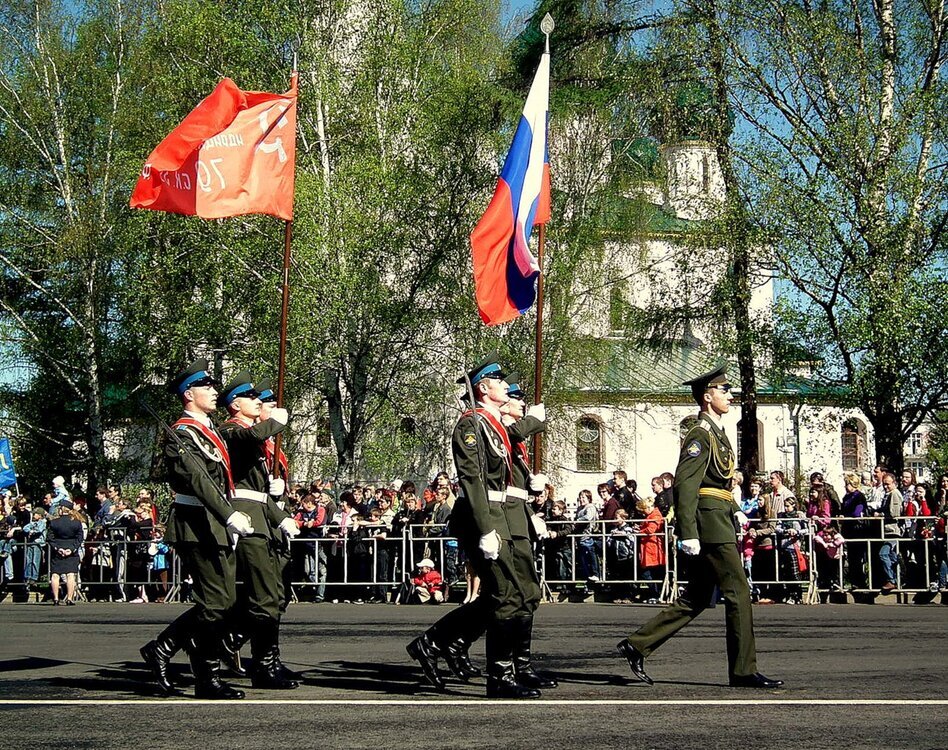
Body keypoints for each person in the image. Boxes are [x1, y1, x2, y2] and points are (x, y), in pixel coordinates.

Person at [617, 366, 783, 689]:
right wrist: (688, 530)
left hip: (719, 515)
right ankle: (743, 670)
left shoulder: (717, 433)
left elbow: (717, 482)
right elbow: (686, 483)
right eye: (724, 391)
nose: (730, 395)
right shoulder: (699, 433)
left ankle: (637, 645)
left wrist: (735, 509)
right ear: (708, 397)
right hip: (709, 524)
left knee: (696, 597)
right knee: (739, 591)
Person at [406, 354, 547, 698]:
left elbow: (505, 463)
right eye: (499, 383)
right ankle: (499, 674)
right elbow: (473, 481)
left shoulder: (492, 426)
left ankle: (437, 643)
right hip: (488, 519)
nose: (507, 388)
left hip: (507, 515)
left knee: (517, 595)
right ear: (483, 389)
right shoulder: (471, 425)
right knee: (505, 597)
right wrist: (486, 529)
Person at [140, 358, 253, 700]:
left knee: (223, 601)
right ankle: (200, 672)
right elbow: (199, 482)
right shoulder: (183, 433)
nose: (215, 392)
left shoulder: (209, 430)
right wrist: (228, 515)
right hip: (195, 524)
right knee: (215, 602)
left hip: (214, 523)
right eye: (208, 387)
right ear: (189, 394)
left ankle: (169, 651)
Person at [218, 371, 299, 689]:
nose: (261, 403)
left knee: (275, 596)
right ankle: (253, 658)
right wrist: (277, 421)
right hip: (250, 518)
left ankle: (266, 659)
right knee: (264, 597)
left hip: (267, 518)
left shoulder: (262, 439)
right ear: (236, 405)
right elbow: (249, 439)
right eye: (255, 399)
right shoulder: (231, 430)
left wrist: (278, 507)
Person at [48, 502, 83, 605]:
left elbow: (50, 538)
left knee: (55, 575)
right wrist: (72, 549)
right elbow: (80, 538)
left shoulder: (54, 522)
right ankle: (70, 598)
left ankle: (55, 598)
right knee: (70, 575)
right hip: (71, 549)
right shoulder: (76, 522)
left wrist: (57, 548)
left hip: (58, 550)